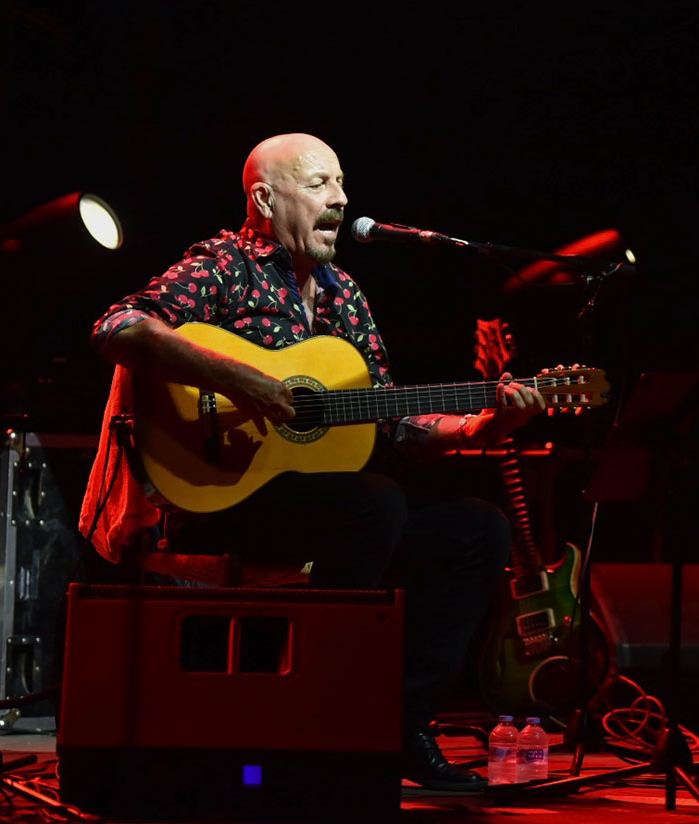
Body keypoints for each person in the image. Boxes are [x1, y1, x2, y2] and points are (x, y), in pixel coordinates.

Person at [83, 132, 544, 791]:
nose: (341, 198)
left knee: (477, 529)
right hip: (218, 496)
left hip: (333, 514)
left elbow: (391, 422)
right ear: (265, 199)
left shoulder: (342, 293)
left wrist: (485, 423)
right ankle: (318, 716)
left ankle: (399, 725)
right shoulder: (223, 265)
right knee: (374, 500)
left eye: (342, 182)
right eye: (319, 183)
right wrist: (246, 383)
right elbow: (119, 328)